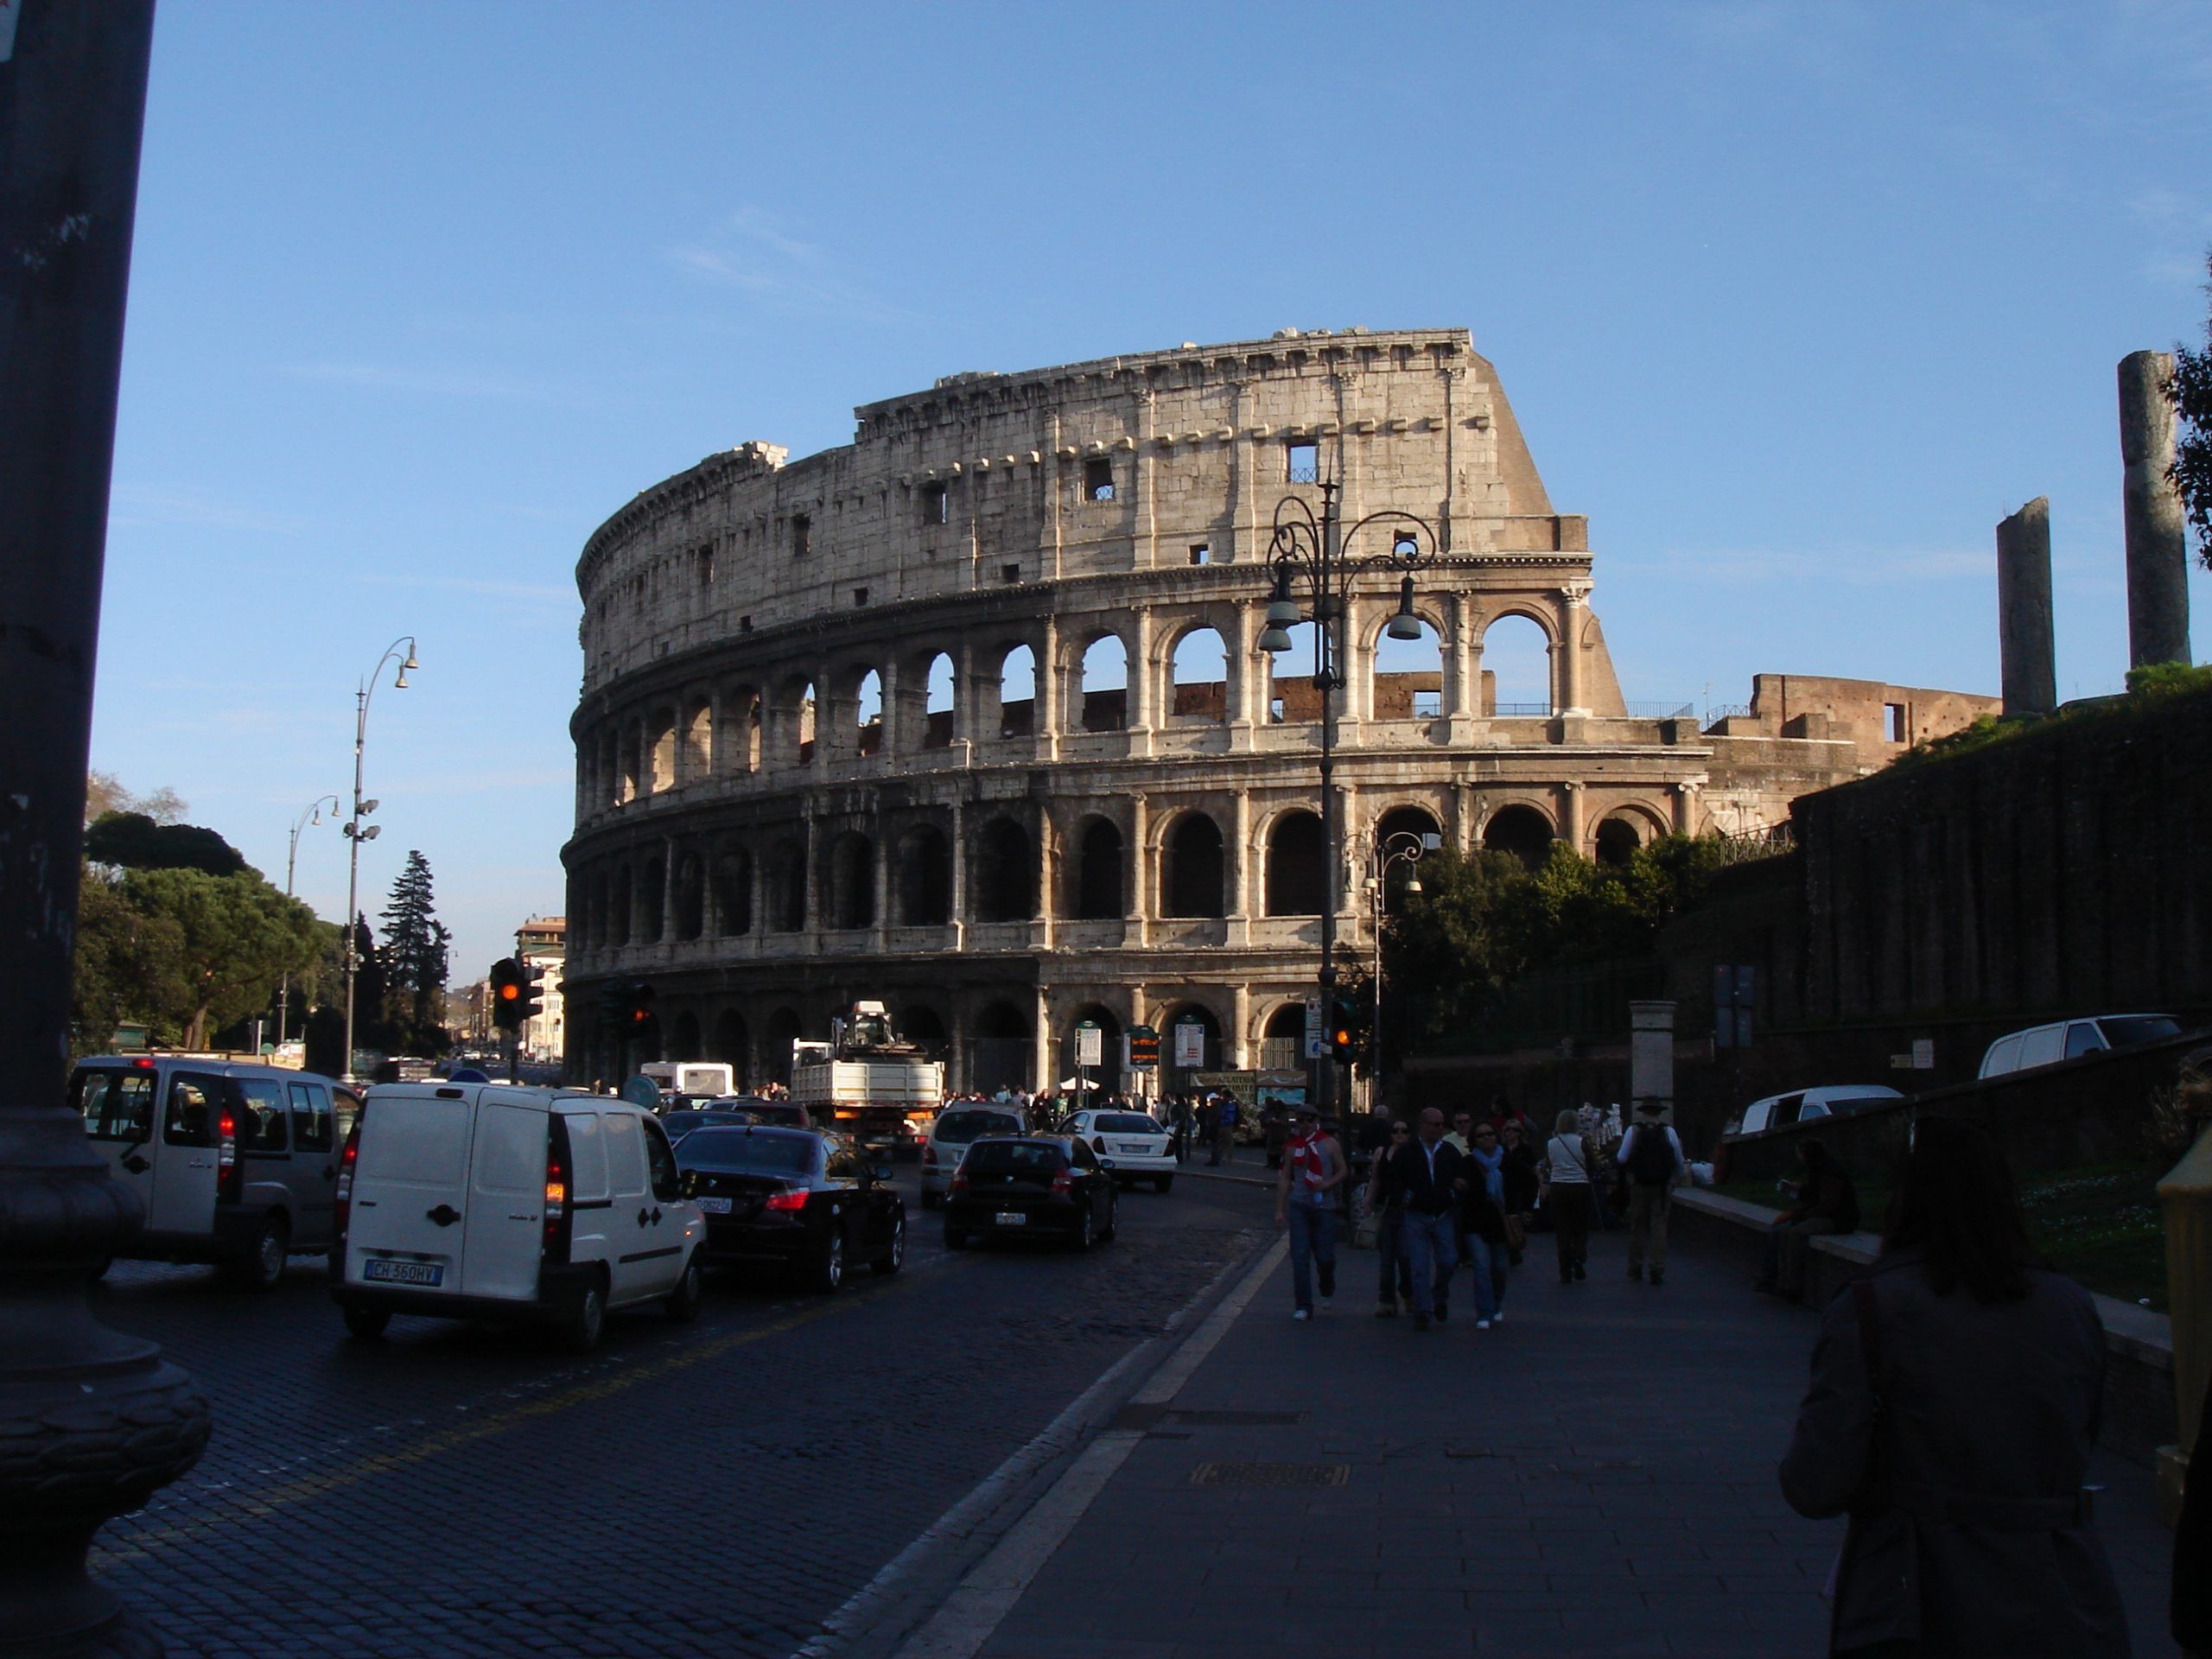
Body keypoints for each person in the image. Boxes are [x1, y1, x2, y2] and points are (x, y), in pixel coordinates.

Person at [1779, 1116, 2131, 1657]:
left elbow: (1815, 1483)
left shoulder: (1873, 1307)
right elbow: (2078, 1438)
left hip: (1918, 1600)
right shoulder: (2071, 1307)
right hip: (2063, 1597)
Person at [1383, 1107, 1465, 1332]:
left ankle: (1439, 1294)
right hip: (1416, 1214)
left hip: (1443, 1214)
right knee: (1418, 1264)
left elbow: (1461, 1178)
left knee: (1448, 1260)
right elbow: (1394, 1179)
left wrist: (1454, 1195)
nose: (1441, 1128)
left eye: (1442, 1124)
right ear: (1424, 1125)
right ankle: (1423, 1309)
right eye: (1436, 1124)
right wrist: (1405, 1198)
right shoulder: (1407, 1152)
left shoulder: (1449, 1152)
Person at [1759, 1140, 1860, 1302]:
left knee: (1795, 1233)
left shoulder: (1829, 1172)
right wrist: (1799, 1190)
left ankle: (1792, 1286)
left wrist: (1801, 1216)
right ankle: (1783, 1281)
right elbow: (1815, 1197)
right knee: (1784, 1231)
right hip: (1823, 1214)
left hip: (1838, 1219)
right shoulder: (1817, 1170)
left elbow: (1828, 1205)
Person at [1274, 1103, 1345, 1320]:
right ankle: (1303, 1304)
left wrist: (1328, 1183)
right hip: (1300, 1205)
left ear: (1316, 1122)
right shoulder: (1292, 1147)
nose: (1305, 1125)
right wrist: (1280, 1209)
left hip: (1324, 1206)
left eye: (1309, 1120)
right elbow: (1286, 1178)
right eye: (1301, 1120)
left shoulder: (1329, 1144)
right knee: (1300, 1256)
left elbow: (1342, 1170)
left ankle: (1326, 1285)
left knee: (1325, 1257)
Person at [1618, 1100, 1686, 1287]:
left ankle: (1635, 1266)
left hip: (1639, 1184)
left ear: (1643, 1112)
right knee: (1659, 1226)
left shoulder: (1634, 1130)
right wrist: (1676, 1179)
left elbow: (1621, 1157)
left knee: (1637, 1225)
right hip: (1662, 1186)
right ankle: (1657, 1268)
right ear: (1659, 1112)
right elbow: (1678, 1159)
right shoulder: (1668, 1132)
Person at [1363, 1116, 1415, 1316]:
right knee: (1386, 1256)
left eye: (1403, 1131)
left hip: (1408, 1209)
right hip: (1386, 1208)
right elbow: (1376, 1179)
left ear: (1410, 1134)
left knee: (1405, 1255)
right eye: (1396, 1131)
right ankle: (1386, 1299)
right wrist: (1368, 1202)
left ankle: (1407, 1291)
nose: (1399, 1134)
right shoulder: (1382, 1153)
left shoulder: (1414, 1154)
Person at [1460, 1120, 1510, 1329]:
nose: (1486, 1138)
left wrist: (1521, 1208)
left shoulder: (1507, 1160)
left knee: (1499, 1267)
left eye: (1490, 1133)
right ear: (1474, 1141)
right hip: (1475, 1221)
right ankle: (1484, 1311)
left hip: (1500, 1221)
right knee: (1481, 1266)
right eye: (1480, 1135)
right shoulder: (1468, 1163)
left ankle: (1496, 1303)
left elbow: (1527, 1180)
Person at [1540, 1108, 1593, 1283]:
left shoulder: (1552, 1143)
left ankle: (1565, 1268)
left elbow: (1548, 1165)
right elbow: (1591, 1164)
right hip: (1580, 1186)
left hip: (1559, 1186)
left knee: (1562, 1228)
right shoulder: (1583, 1142)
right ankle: (1579, 1255)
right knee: (1580, 1226)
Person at [1497, 1116, 1540, 1267]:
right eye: (1507, 1129)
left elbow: (1534, 1170)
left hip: (1520, 1187)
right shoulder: (1500, 1149)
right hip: (1503, 1186)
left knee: (1515, 1217)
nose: (1510, 1132)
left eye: (1514, 1130)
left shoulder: (1525, 1149)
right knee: (1506, 1216)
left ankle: (1515, 1245)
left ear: (1519, 1133)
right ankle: (1509, 1245)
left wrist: (1537, 1186)